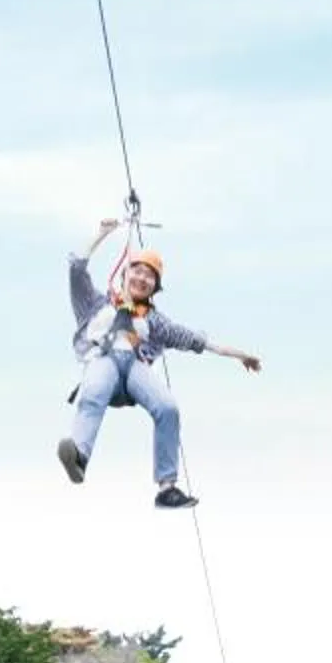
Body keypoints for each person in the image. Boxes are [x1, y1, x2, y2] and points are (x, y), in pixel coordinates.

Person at [60, 217, 262, 509]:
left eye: (149, 276)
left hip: (133, 370)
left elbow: (197, 340)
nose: (142, 278)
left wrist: (241, 354)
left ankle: (167, 487)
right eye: (137, 271)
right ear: (124, 275)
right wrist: (101, 235)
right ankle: (79, 455)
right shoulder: (95, 305)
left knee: (168, 407)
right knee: (93, 392)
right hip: (103, 361)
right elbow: (76, 267)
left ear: (155, 287)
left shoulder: (155, 322)